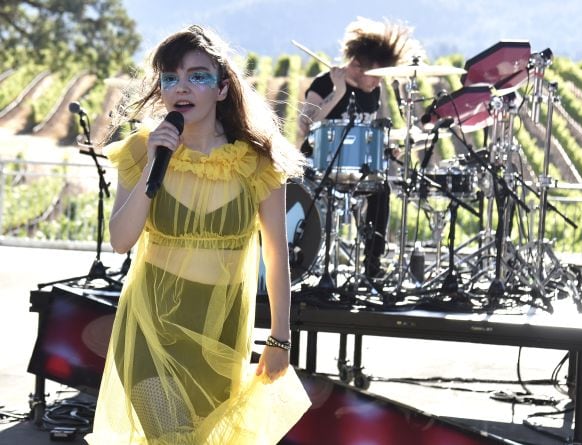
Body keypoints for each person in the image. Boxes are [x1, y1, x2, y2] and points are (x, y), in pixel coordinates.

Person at [86, 25, 310, 444]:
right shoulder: (142, 149)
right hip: (150, 330)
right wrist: (155, 163)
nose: (181, 87)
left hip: (219, 338)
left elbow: (276, 257)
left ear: (222, 89)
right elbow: (120, 240)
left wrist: (280, 337)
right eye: (170, 78)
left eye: (197, 75)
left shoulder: (257, 162)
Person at [298, 17, 416, 279]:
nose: (377, 83)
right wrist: (337, 92)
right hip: (317, 169)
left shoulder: (373, 90)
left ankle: (372, 261)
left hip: (355, 169)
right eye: (375, 76)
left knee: (381, 189)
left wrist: (387, 148)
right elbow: (304, 125)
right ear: (356, 65)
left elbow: (369, 130)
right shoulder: (324, 83)